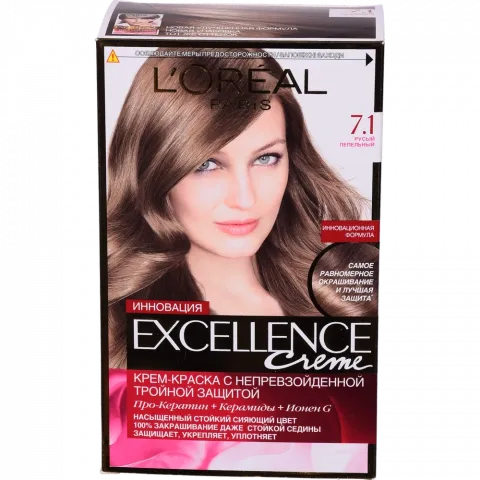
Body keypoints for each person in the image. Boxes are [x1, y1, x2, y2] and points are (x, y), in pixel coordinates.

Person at [106, 47, 368, 368]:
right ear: (153, 169)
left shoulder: (340, 290)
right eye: (206, 165)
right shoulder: (114, 326)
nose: (245, 199)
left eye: (266, 158)